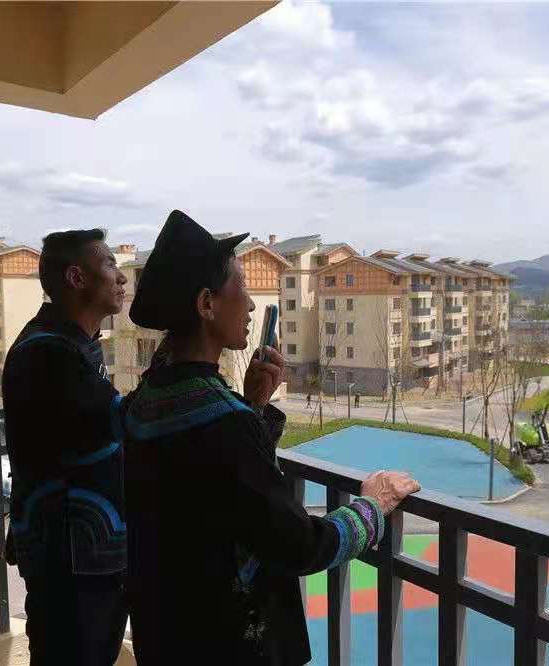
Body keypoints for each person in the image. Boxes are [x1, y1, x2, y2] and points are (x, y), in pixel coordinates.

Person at [122, 210, 421, 665]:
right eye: (240, 286)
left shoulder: (144, 401)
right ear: (206, 304)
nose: (249, 304)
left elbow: (216, 488)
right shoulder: (223, 421)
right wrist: (372, 508)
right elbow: (298, 544)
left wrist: (253, 407)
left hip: (165, 634)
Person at [2, 230, 129, 666]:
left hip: (82, 551)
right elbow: (121, 421)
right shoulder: (47, 353)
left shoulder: (72, 343)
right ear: (77, 277)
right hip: (69, 557)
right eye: (110, 264)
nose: (121, 278)